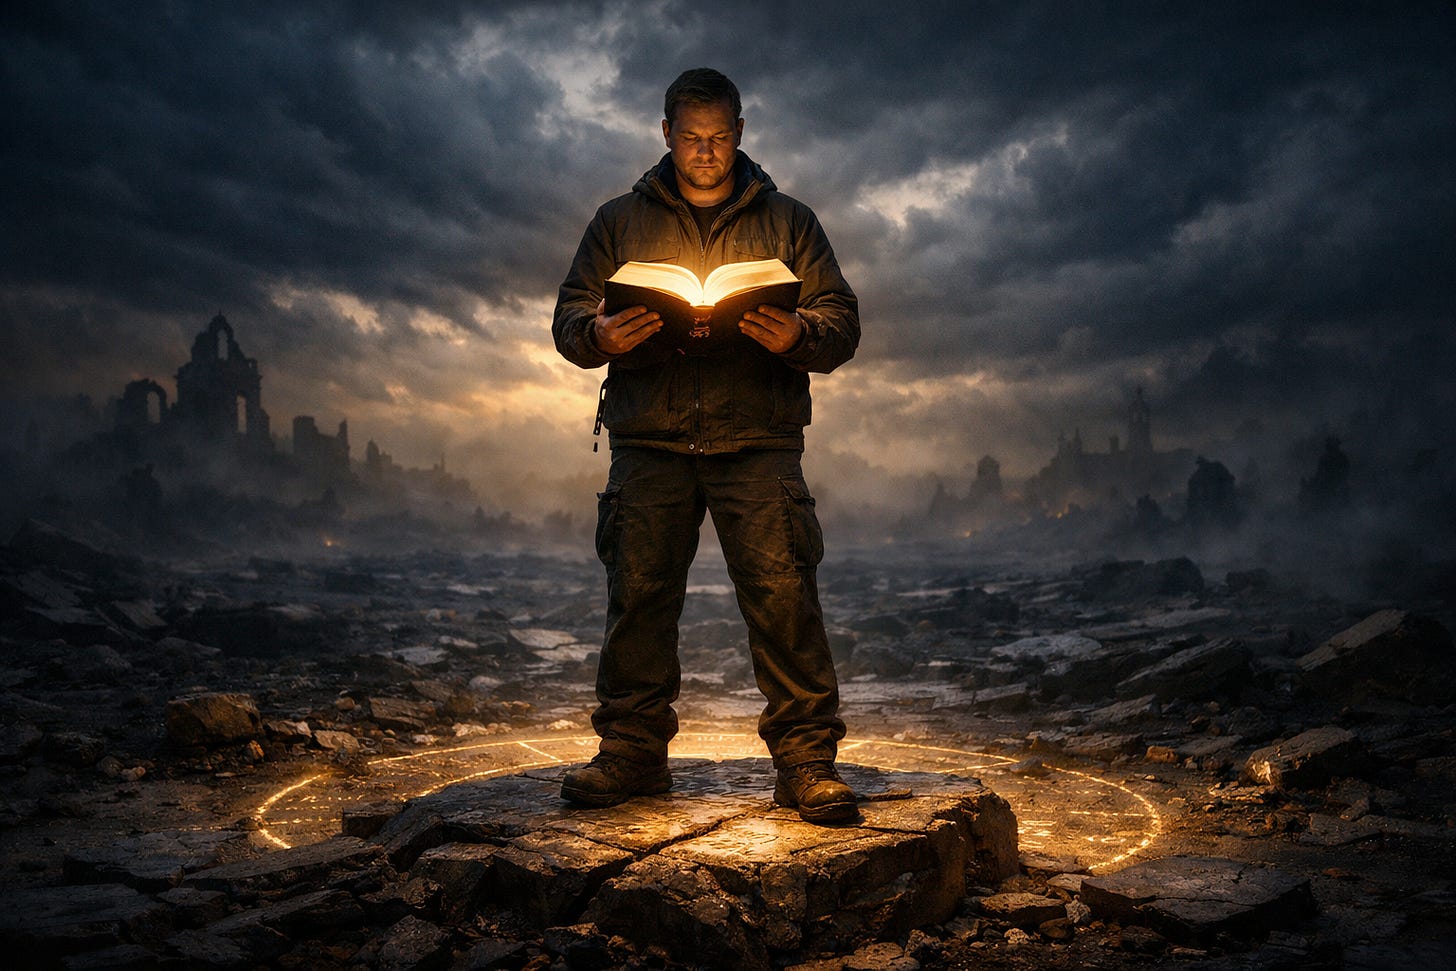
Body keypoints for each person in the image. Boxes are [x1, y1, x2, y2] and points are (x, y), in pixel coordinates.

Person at [552, 67, 860, 824]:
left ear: (741, 133)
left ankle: (806, 764)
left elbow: (841, 320)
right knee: (640, 599)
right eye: (691, 138)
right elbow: (568, 318)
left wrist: (801, 333)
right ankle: (630, 754)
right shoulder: (618, 219)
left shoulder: (789, 220)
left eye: (720, 137)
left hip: (757, 441)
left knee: (784, 598)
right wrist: (597, 333)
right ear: (665, 134)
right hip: (650, 440)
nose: (706, 153)